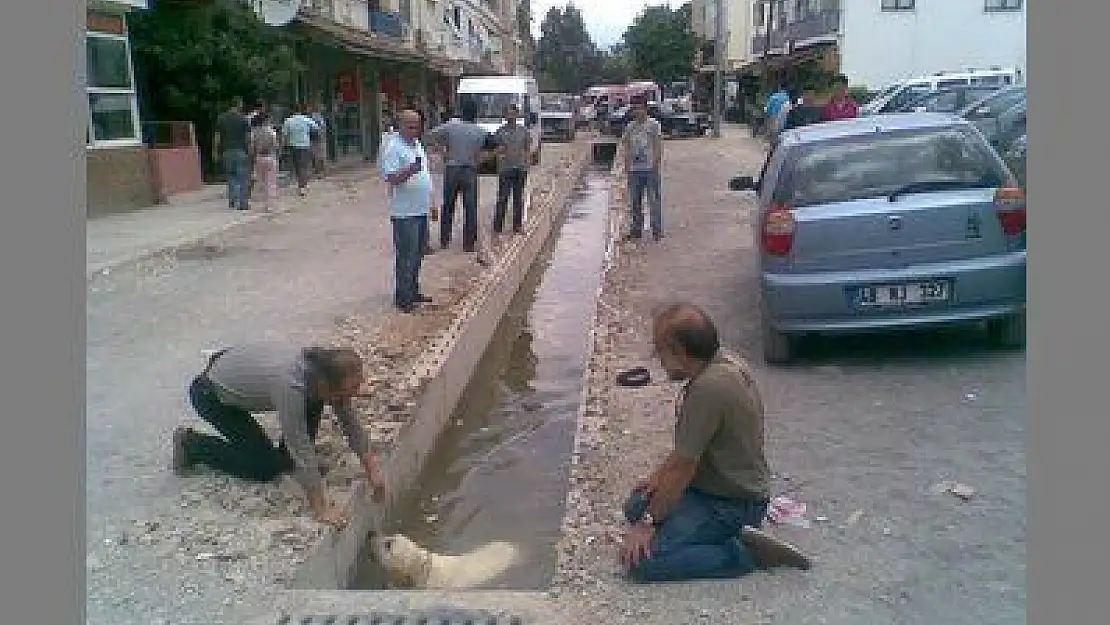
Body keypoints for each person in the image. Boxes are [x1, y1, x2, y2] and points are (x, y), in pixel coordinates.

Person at [618, 303, 812, 582]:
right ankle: (693, 529)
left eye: (659, 352)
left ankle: (745, 554)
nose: (658, 361)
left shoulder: (707, 391)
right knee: (635, 505)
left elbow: (685, 464)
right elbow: (688, 449)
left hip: (732, 503)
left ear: (680, 353)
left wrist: (648, 524)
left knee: (642, 564)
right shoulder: (722, 362)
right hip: (712, 485)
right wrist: (658, 477)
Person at [171, 344, 386, 529]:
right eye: (345, 392)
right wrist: (321, 507)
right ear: (325, 382)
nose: (348, 398)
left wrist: (373, 471)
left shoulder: (322, 370)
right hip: (211, 396)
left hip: (229, 371)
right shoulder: (291, 385)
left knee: (315, 401)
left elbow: (349, 420)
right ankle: (191, 445)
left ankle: (290, 464)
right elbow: (298, 443)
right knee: (265, 467)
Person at [379, 110, 434, 314]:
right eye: (410, 126)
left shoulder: (417, 145)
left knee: (418, 253)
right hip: (405, 213)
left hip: (420, 209)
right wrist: (410, 170)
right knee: (406, 255)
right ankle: (403, 297)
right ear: (400, 125)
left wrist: (432, 203)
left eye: (417, 126)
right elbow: (391, 178)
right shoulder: (394, 148)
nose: (414, 130)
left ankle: (413, 290)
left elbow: (425, 174)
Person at [426, 99, 492, 253]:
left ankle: (444, 240)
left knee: (448, 205)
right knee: (470, 207)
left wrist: (442, 151)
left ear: (461, 112)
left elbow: (429, 136)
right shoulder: (480, 131)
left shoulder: (450, 127)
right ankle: (468, 243)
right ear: (476, 114)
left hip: (452, 169)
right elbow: (496, 146)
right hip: (470, 170)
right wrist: (481, 158)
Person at [621, 96, 665, 242]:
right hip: (634, 170)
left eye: (639, 108)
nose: (637, 111)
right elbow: (626, 145)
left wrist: (656, 163)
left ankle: (657, 231)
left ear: (645, 108)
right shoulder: (630, 127)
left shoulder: (654, 125)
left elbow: (658, 145)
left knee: (654, 201)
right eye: (634, 108)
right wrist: (626, 164)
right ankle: (636, 230)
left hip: (649, 169)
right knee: (635, 202)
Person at [491, 103, 533, 235]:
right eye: (507, 113)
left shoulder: (524, 131)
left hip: (520, 169)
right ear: (504, 116)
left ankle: (517, 226)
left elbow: (527, 149)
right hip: (505, 169)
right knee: (502, 198)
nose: (510, 116)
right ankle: (497, 228)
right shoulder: (499, 132)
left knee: (518, 198)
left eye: (512, 113)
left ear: (517, 115)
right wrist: (499, 154)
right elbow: (495, 149)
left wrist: (526, 165)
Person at [215, 97, 251, 210]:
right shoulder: (243, 119)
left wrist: (215, 151)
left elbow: (217, 137)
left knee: (231, 177)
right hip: (240, 151)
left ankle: (232, 200)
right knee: (243, 178)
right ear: (239, 105)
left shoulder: (221, 118)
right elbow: (248, 137)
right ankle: (243, 203)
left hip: (227, 151)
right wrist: (249, 151)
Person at [281, 103, 322, 197]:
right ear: (300, 111)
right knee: (305, 166)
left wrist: (283, 146)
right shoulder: (306, 119)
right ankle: (303, 185)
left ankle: (301, 184)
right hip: (305, 145)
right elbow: (316, 127)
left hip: (293, 146)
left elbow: (284, 135)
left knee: (297, 166)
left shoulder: (288, 121)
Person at [248, 110, 280, 213]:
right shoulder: (271, 131)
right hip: (270, 157)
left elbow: (251, 147)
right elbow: (275, 145)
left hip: (259, 158)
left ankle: (260, 201)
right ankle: (270, 205)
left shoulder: (254, 132)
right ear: (267, 120)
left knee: (261, 182)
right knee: (271, 182)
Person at [310, 103, 329, 179]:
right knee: (320, 156)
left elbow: (321, 128)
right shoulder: (318, 117)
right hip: (319, 139)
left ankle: (320, 171)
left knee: (318, 156)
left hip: (317, 139)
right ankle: (321, 171)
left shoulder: (314, 117)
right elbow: (322, 128)